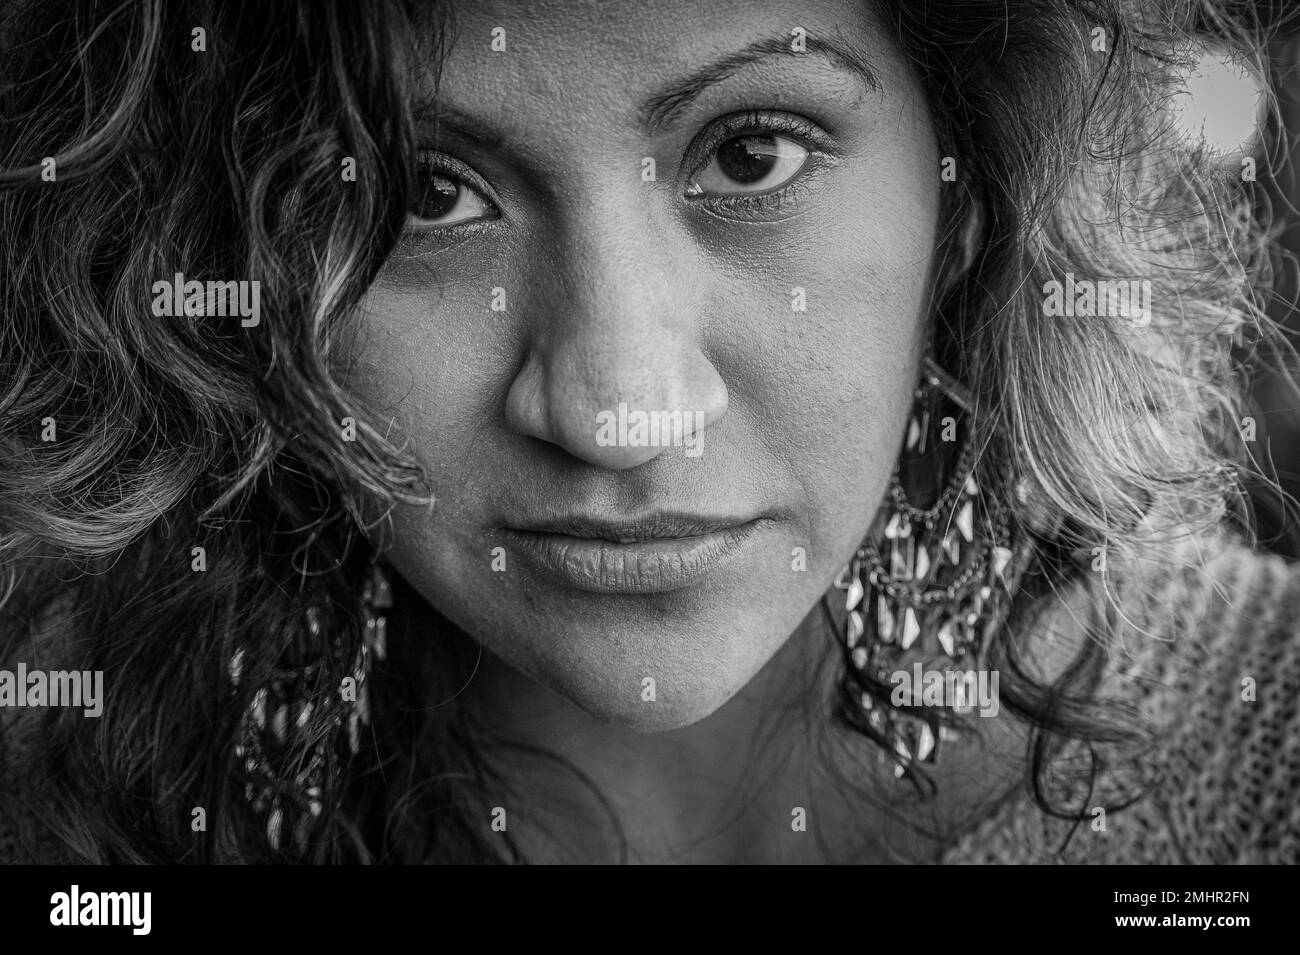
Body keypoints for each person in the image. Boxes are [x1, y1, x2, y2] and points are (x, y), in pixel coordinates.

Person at [0, 0, 1296, 864]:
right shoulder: (68, 805)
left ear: (972, 200)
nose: (619, 411)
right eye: (425, 192)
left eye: (749, 158)